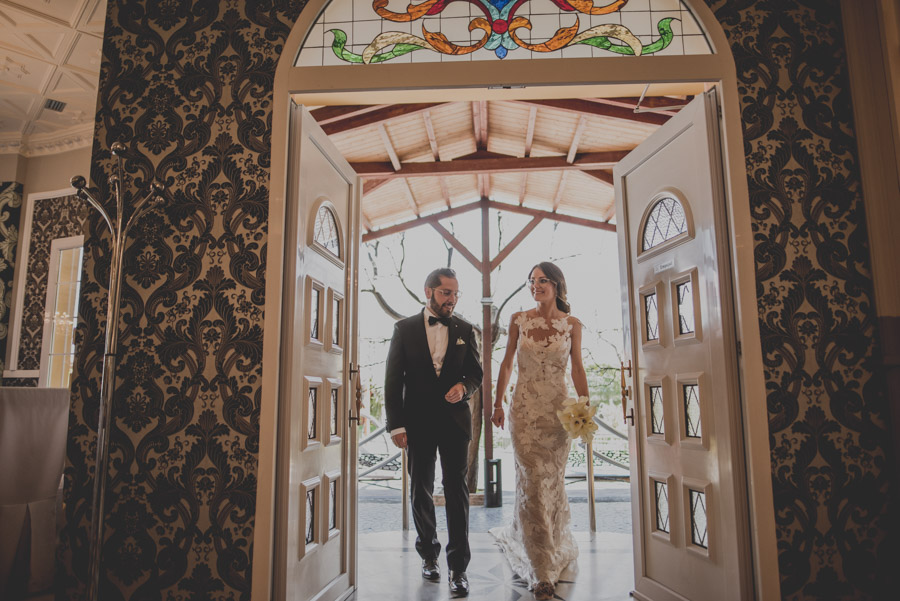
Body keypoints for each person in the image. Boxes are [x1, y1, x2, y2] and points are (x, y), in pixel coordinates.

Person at [489, 262, 589, 601]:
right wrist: (497, 403)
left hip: (559, 414)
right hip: (524, 413)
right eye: (532, 281)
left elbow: (577, 367)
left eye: (542, 280)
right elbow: (507, 363)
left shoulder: (572, 325)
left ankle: (551, 542)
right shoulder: (518, 320)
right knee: (531, 480)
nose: (536, 286)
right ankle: (540, 567)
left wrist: (584, 407)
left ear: (557, 284)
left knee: (552, 481)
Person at [384, 267, 483, 597]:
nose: (452, 299)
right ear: (429, 292)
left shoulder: (465, 330)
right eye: (446, 293)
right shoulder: (404, 329)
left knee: (457, 491)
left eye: (455, 293)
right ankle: (428, 554)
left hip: (455, 423)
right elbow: (392, 381)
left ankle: (459, 568)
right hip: (418, 423)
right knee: (420, 490)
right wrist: (396, 425)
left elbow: (476, 373)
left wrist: (464, 388)